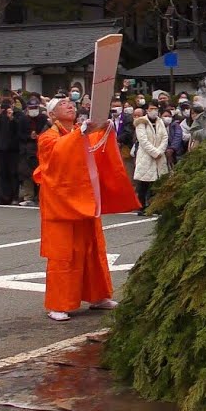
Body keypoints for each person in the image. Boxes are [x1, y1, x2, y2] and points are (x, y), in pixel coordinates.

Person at [34, 97, 141, 321]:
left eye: (70, 103)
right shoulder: (47, 137)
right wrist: (81, 134)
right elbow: (58, 154)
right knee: (62, 254)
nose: (69, 105)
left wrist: (104, 130)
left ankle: (98, 296)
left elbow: (94, 145)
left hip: (82, 199)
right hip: (60, 205)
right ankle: (58, 304)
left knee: (93, 249)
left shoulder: (79, 132)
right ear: (52, 115)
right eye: (62, 104)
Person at [0, 96, 23, 206]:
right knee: (1, 173)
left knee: (13, 173)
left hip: (13, 148)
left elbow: (19, 127)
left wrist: (11, 118)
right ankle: (3, 197)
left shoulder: (17, 113)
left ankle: (14, 197)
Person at [132, 104, 170, 206]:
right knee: (144, 183)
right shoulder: (141, 122)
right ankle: (141, 206)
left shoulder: (160, 121)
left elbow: (165, 137)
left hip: (159, 157)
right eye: (151, 109)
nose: (154, 111)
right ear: (147, 110)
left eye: (155, 109)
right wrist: (155, 152)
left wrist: (160, 151)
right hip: (146, 156)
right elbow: (143, 140)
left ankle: (154, 206)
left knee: (158, 183)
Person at [18, 97, 49, 206]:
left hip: (41, 148)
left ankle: (42, 196)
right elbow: (18, 134)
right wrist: (29, 136)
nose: (33, 110)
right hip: (26, 149)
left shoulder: (43, 119)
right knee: (27, 174)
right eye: (31, 108)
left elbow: (49, 132)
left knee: (42, 173)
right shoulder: (23, 119)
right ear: (27, 108)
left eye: (35, 107)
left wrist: (39, 136)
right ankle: (28, 197)